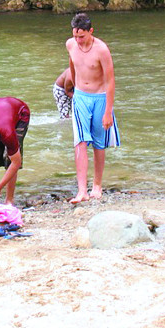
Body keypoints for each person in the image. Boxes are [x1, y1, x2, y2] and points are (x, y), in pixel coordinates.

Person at [66, 12, 119, 204]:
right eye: (75, 36)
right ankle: (82, 191)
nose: (78, 40)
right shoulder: (70, 44)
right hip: (81, 97)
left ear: (91, 31)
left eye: (81, 36)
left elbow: (110, 81)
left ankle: (97, 185)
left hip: (100, 97)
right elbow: (72, 65)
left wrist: (108, 112)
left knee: (98, 143)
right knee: (80, 141)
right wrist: (74, 87)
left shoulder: (101, 50)